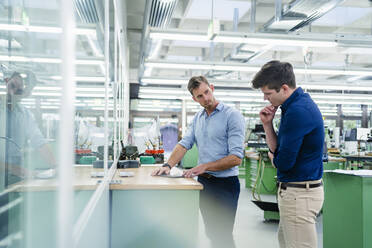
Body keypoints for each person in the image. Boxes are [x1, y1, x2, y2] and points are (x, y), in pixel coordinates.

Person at [152, 75, 245, 248]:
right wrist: (168, 165)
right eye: (200, 96)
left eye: (207, 92)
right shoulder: (198, 118)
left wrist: (204, 166)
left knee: (222, 234)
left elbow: (236, 158)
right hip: (204, 184)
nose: (206, 98)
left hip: (225, 185)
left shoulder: (232, 116)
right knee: (211, 232)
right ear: (194, 98)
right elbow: (184, 144)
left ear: (212, 88)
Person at [252, 60, 324, 248]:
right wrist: (268, 125)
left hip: (299, 196)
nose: (265, 99)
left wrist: (275, 157)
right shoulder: (291, 107)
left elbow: (283, 162)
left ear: (284, 88)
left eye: (268, 93)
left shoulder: (298, 111)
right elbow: (279, 153)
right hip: (294, 193)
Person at [1, 72, 56, 184]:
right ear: (6, 83)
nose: (15, 91)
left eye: (21, 89)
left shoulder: (25, 114)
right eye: (13, 85)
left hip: (15, 176)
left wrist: (55, 165)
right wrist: (14, 168)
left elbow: (39, 141)